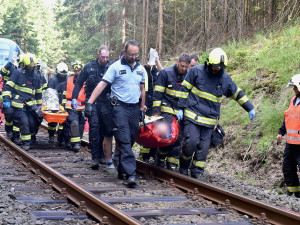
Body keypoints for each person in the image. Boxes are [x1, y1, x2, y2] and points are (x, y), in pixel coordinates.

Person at [178, 48, 255, 178]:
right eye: (216, 66)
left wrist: (249, 107)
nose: (218, 69)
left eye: (220, 67)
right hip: (193, 116)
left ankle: (197, 173)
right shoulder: (196, 71)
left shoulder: (225, 79)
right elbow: (184, 89)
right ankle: (184, 165)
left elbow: (237, 94)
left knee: (203, 149)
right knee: (190, 143)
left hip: (209, 121)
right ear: (209, 63)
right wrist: (180, 107)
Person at [86, 40, 147, 187]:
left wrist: (142, 107)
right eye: (131, 54)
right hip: (119, 107)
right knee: (124, 139)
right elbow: (102, 84)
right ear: (124, 53)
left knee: (131, 138)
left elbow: (142, 89)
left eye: (136, 54)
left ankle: (121, 168)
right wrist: (90, 102)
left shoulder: (141, 69)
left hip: (134, 108)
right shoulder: (115, 67)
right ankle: (131, 174)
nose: (133, 57)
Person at [72, 45, 112, 169]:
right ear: (98, 54)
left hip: (106, 103)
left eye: (107, 57)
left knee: (104, 130)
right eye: (103, 57)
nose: (104, 59)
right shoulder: (89, 67)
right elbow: (79, 82)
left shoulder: (110, 67)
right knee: (94, 128)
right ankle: (95, 157)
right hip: (92, 102)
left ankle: (102, 155)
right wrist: (74, 98)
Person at [153, 53, 190, 171]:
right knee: (168, 136)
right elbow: (157, 94)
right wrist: (156, 113)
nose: (183, 69)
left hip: (180, 112)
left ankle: (172, 165)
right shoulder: (166, 73)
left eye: (186, 67)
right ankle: (160, 157)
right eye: (182, 66)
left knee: (179, 138)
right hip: (166, 110)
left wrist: (184, 110)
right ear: (177, 61)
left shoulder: (189, 76)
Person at [2, 53, 43, 151]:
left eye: (33, 66)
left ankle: (31, 138)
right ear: (24, 65)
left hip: (31, 105)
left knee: (33, 123)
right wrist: (7, 100)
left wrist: (39, 106)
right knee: (24, 122)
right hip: (19, 104)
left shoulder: (36, 75)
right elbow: (7, 87)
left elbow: (38, 92)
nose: (31, 68)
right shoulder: (18, 73)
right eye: (30, 66)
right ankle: (26, 143)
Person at [276, 74, 300, 198]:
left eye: (295, 87)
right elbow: (288, 119)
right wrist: (281, 132)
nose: (293, 89)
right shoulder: (293, 101)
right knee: (288, 167)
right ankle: (293, 192)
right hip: (290, 144)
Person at [139, 49, 163, 163]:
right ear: (147, 59)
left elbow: (163, 73)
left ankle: (154, 152)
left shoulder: (156, 71)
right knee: (146, 129)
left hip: (156, 104)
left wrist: (157, 60)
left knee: (156, 128)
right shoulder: (142, 69)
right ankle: (145, 155)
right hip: (146, 103)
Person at [0, 54, 24, 143]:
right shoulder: (11, 67)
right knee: (9, 112)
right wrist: (9, 63)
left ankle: (16, 134)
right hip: (8, 94)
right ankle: (8, 129)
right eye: (21, 64)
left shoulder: (25, 72)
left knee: (19, 116)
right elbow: (2, 72)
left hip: (19, 96)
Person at [64, 61, 85, 152]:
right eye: (76, 71)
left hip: (83, 107)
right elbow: (66, 93)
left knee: (81, 125)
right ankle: (75, 144)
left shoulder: (86, 80)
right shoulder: (69, 80)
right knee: (74, 123)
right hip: (72, 106)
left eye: (79, 70)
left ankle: (77, 141)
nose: (77, 72)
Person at [47, 62, 69, 146]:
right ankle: (51, 135)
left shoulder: (67, 79)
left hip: (64, 104)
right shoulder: (53, 80)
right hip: (54, 103)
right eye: (61, 74)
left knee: (63, 122)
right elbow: (50, 92)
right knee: (52, 121)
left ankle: (61, 137)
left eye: (64, 74)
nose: (63, 76)